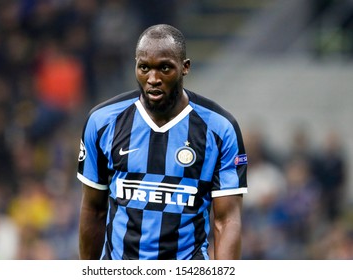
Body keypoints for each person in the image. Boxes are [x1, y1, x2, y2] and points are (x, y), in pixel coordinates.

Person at [77, 24, 247, 260]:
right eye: (144, 68)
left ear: (185, 67)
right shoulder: (103, 122)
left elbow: (226, 220)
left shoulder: (220, 129)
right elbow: (93, 210)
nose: (153, 78)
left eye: (164, 68)